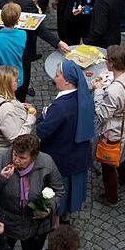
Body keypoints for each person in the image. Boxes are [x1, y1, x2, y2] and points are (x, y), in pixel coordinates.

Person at [35, 61, 94, 222]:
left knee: (59, 193)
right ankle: (66, 216)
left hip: (60, 158)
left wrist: (43, 116)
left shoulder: (60, 107)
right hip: (79, 155)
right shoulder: (84, 98)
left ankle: (56, 225)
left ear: (67, 80)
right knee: (72, 192)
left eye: (58, 75)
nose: (55, 78)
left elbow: (42, 131)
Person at [93, 45, 125, 205]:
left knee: (107, 164)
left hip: (112, 129)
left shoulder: (113, 91)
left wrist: (98, 91)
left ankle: (111, 198)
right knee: (122, 153)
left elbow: (102, 114)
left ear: (111, 64)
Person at [0, 66, 36, 163]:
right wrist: (31, 118)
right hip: (1, 153)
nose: (19, 81)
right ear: (7, 84)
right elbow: (17, 139)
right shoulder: (6, 109)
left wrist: (18, 105)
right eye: (16, 80)